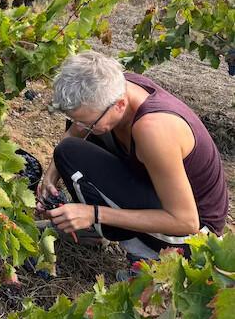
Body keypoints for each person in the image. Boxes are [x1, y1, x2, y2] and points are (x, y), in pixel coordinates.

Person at [38, 51, 228, 264]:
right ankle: (92, 231)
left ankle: (147, 258)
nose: (80, 127)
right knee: (70, 149)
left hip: (194, 238)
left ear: (119, 104)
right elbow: (74, 133)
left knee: (75, 148)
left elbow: (185, 221)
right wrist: (51, 175)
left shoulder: (154, 132)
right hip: (160, 197)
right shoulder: (116, 87)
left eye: (87, 122)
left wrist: (94, 213)